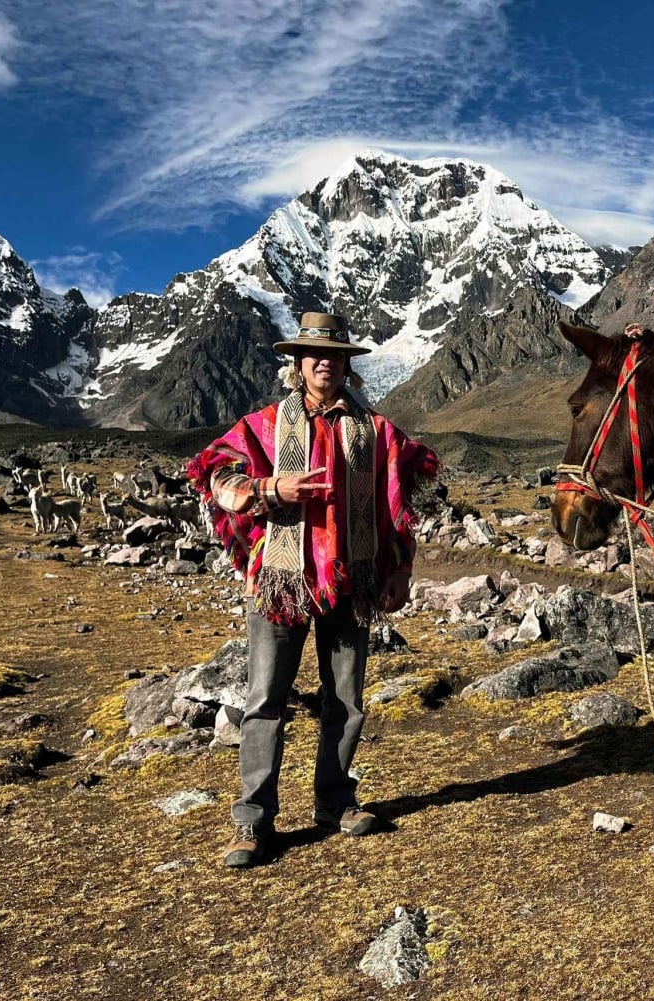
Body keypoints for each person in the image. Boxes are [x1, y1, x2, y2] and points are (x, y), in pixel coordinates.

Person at [187, 312, 439, 868]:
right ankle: (253, 820)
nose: (325, 362)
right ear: (298, 365)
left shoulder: (376, 432)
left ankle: (335, 802)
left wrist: (401, 566)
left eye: (335, 354)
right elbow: (215, 474)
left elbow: (403, 499)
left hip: (354, 578)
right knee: (265, 700)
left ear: (348, 365)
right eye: (314, 354)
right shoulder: (266, 425)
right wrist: (270, 487)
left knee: (345, 699)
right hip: (282, 580)